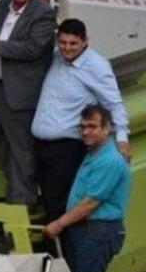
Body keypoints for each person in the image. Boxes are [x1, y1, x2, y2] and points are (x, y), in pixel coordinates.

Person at [43, 104, 131, 272]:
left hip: (98, 231)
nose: (86, 132)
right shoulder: (94, 154)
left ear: (108, 128)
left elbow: (90, 203)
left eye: (92, 127)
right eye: (82, 127)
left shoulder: (110, 160)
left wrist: (58, 224)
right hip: (86, 231)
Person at [32, 18, 131, 225]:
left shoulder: (96, 66)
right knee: (47, 204)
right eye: (63, 42)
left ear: (85, 41)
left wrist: (122, 137)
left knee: (60, 207)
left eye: (73, 43)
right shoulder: (56, 58)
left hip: (67, 147)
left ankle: (61, 244)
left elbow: (114, 103)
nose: (67, 48)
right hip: (42, 145)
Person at [0, 0, 55, 206]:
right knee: (3, 146)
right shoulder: (4, 5)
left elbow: (33, 49)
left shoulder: (43, 13)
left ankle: (24, 201)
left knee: (21, 149)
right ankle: (14, 196)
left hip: (21, 93)